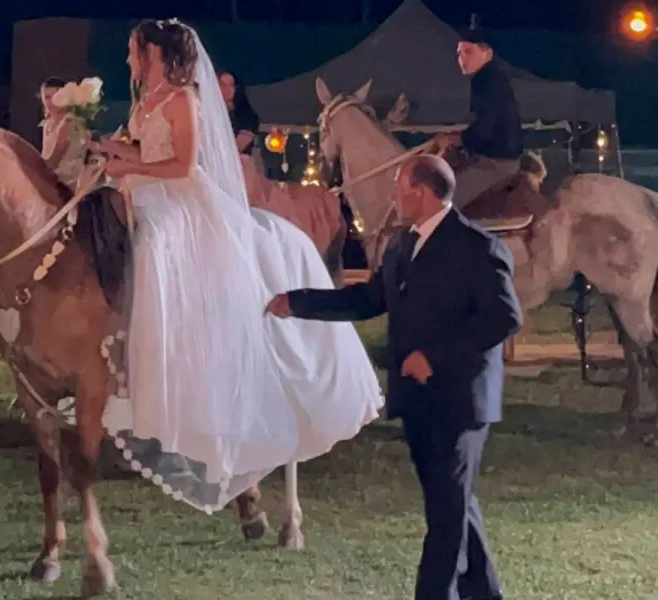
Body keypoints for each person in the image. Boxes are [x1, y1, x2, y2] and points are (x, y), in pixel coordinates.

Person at [91, 18, 383, 513]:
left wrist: (131, 167)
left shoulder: (184, 98)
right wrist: (107, 148)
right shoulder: (148, 98)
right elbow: (144, 149)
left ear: (155, 52)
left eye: (132, 50)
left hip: (177, 199)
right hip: (143, 188)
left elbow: (182, 165)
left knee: (155, 241)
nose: (127, 60)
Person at [267, 154, 519, 600]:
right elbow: (367, 299)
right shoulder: (402, 246)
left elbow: (503, 318)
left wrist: (435, 358)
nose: (393, 196)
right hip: (417, 399)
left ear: (420, 192)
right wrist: (299, 302)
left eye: (399, 186)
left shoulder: (477, 247)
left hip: (460, 402)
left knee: (445, 519)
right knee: (454, 505)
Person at [435, 33, 523, 211]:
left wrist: (455, 139)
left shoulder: (487, 81)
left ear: (487, 54)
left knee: (440, 204)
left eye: (468, 52)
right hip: (497, 157)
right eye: (459, 54)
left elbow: (484, 129)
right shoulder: (490, 78)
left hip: (497, 163)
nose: (462, 59)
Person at [39, 77, 89, 187]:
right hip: (53, 176)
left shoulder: (69, 122)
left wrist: (36, 171)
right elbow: (46, 155)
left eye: (57, 96)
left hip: (69, 181)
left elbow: (56, 157)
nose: (52, 101)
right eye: (47, 97)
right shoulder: (47, 124)